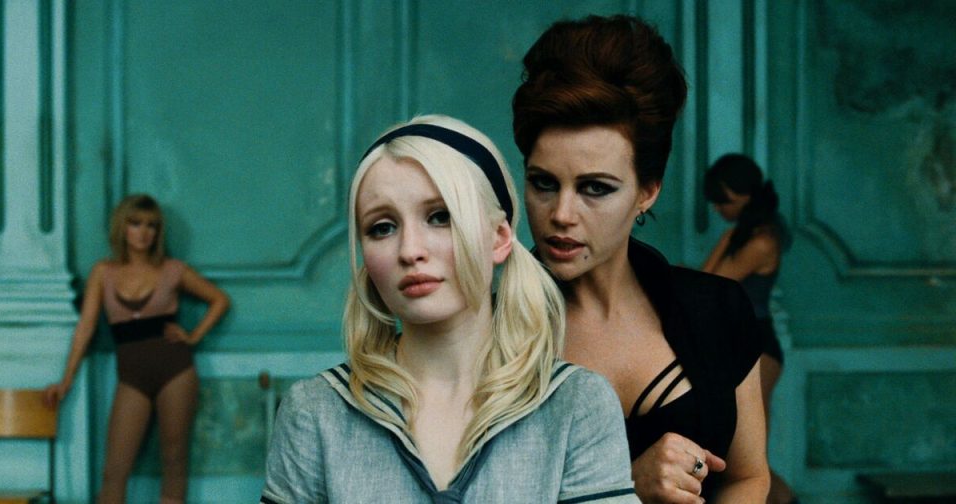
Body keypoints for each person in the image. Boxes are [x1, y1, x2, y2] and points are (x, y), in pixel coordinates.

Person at [259, 115, 637, 503]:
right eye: (382, 227)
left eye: (440, 217)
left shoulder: (575, 404)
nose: (410, 251)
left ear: (499, 238)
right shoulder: (316, 411)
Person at [512, 15, 770, 503]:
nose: (561, 214)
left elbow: (747, 477)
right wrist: (624, 488)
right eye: (543, 183)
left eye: (595, 188)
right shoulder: (485, 332)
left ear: (648, 191)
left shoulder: (717, 311)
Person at [44, 194, 230, 504]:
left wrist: (194, 336)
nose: (143, 232)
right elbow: (85, 328)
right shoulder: (103, 272)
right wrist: (66, 380)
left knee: (174, 460)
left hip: (176, 372)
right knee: (114, 471)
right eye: (135, 224)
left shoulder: (172, 269)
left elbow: (220, 300)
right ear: (123, 227)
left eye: (151, 226)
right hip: (132, 377)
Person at [701, 153, 795, 504]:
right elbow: (705, 281)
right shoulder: (744, 236)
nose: (717, 208)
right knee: (745, 464)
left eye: (723, 199)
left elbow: (709, 285)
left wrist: (727, 240)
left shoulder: (761, 242)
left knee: (750, 466)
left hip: (760, 349)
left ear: (746, 196)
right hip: (741, 346)